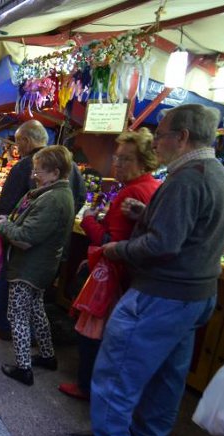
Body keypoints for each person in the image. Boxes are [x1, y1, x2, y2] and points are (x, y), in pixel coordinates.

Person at [67, 104, 224, 436]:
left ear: (183, 137)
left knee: (119, 365)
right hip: (197, 294)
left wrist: (116, 248)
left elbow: (163, 245)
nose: (157, 143)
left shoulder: (188, 178)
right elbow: (191, 230)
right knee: (167, 376)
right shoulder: (219, 174)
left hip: (163, 294)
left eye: (160, 135)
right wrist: (145, 215)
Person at [58, 129, 161, 401]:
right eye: (118, 158)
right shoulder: (152, 187)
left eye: (126, 159)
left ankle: (86, 385)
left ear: (144, 161)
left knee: (93, 332)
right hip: (131, 276)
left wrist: (90, 219)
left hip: (114, 276)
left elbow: (109, 242)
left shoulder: (134, 191)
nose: (118, 164)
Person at [0, 146, 75, 385]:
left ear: (55, 172)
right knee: (37, 310)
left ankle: (23, 368)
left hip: (29, 268)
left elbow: (25, 238)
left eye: (39, 171)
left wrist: (2, 225)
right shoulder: (58, 194)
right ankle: (48, 356)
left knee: (17, 315)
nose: (33, 175)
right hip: (42, 266)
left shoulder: (52, 199)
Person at [0, 120, 49, 341]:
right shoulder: (63, 165)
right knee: (33, 291)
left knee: (9, 278)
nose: (17, 147)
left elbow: (8, 202)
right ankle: (31, 334)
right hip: (48, 245)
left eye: (18, 142)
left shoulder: (27, 166)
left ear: (26, 141)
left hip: (20, 236)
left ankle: (5, 325)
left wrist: (4, 226)